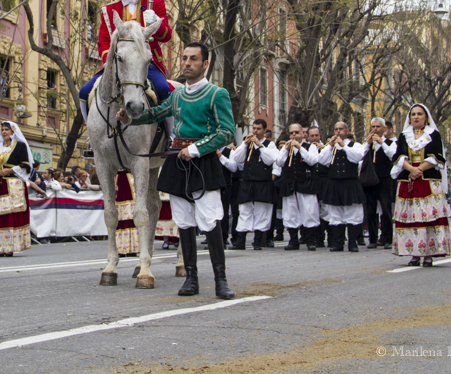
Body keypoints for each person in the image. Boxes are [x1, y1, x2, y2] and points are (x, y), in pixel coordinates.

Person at [116, 42, 236, 300]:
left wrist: (195, 150)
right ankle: (191, 279)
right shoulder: (178, 95)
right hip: (178, 163)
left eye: (193, 59)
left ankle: (220, 280)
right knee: (184, 222)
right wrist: (131, 117)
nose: (187, 63)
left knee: (210, 220)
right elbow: (157, 113)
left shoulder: (217, 94)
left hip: (202, 162)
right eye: (184, 58)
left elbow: (226, 132)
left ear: (205, 64)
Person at [79, 0, 174, 142]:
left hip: (147, 63)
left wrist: (156, 22)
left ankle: (171, 135)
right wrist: (110, 60)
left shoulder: (156, 3)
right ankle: (93, 137)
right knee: (84, 92)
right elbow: (104, 42)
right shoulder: (108, 10)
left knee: (164, 90)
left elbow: (166, 36)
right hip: (118, 63)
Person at [390, 104, 450, 266]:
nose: (416, 117)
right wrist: (410, 169)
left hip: (428, 180)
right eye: (413, 114)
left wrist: (420, 169)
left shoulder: (433, 135)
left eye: (419, 114)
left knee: (428, 216)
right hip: (408, 180)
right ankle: (414, 253)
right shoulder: (404, 135)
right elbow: (398, 156)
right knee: (410, 217)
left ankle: (428, 254)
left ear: (426, 117)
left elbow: (438, 156)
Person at [317, 121, 366, 252]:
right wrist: (330, 146)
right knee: (335, 214)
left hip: (350, 183)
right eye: (336, 129)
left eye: (341, 129)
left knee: (352, 213)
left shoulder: (355, 146)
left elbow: (356, 158)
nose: (338, 132)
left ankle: (352, 243)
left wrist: (343, 145)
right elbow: (321, 161)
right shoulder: (330, 147)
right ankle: (338, 243)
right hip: (334, 183)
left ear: (347, 131)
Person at [0, 121, 33, 256]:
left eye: (7, 129)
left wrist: (10, 170)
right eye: (2, 130)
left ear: (13, 132)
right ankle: (1, 247)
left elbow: (25, 165)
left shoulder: (20, 146)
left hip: (13, 184)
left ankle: (12, 247)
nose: (4, 132)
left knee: (11, 215)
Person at [230, 119, 277, 251]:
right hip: (247, 182)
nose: (255, 131)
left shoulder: (270, 144)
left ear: (264, 130)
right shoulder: (247, 143)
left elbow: (270, 160)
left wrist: (260, 146)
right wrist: (244, 144)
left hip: (263, 183)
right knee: (244, 211)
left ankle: (258, 241)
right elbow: (237, 159)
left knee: (262, 212)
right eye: (254, 128)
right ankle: (240, 241)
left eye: (258, 129)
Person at [276, 124, 320, 251]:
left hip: (305, 183)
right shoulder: (286, 147)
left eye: (296, 132)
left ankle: (310, 240)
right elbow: (279, 162)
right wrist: (286, 149)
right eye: (291, 133)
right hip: (289, 183)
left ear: (303, 134)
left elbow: (312, 161)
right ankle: (293, 240)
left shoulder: (310, 147)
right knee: (290, 212)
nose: (294, 135)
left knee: (309, 211)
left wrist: (300, 147)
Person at [363, 117, 397, 250]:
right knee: (371, 210)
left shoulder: (390, 143)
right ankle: (372, 239)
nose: (375, 129)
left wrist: (381, 143)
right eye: (373, 127)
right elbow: (360, 155)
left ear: (384, 129)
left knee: (386, 209)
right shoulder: (369, 143)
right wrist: (368, 143)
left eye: (378, 127)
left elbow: (392, 155)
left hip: (384, 178)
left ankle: (387, 238)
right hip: (370, 179)